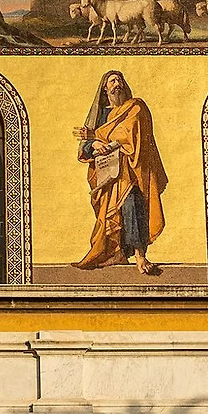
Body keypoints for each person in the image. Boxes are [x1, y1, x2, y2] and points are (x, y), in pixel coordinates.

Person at [73, 70, 168, 274]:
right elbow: (84, 148)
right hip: (107, 174)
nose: (117, 84)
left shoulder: (135, 107)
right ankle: (117, 252)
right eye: (112, 81)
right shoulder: (100, 115)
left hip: (131, 170)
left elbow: (132, 135)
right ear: (105, 88)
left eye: (119, 80)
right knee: (109, 215)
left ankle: (140, 255)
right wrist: (94, 143)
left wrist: (98, 137)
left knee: (132, 204)